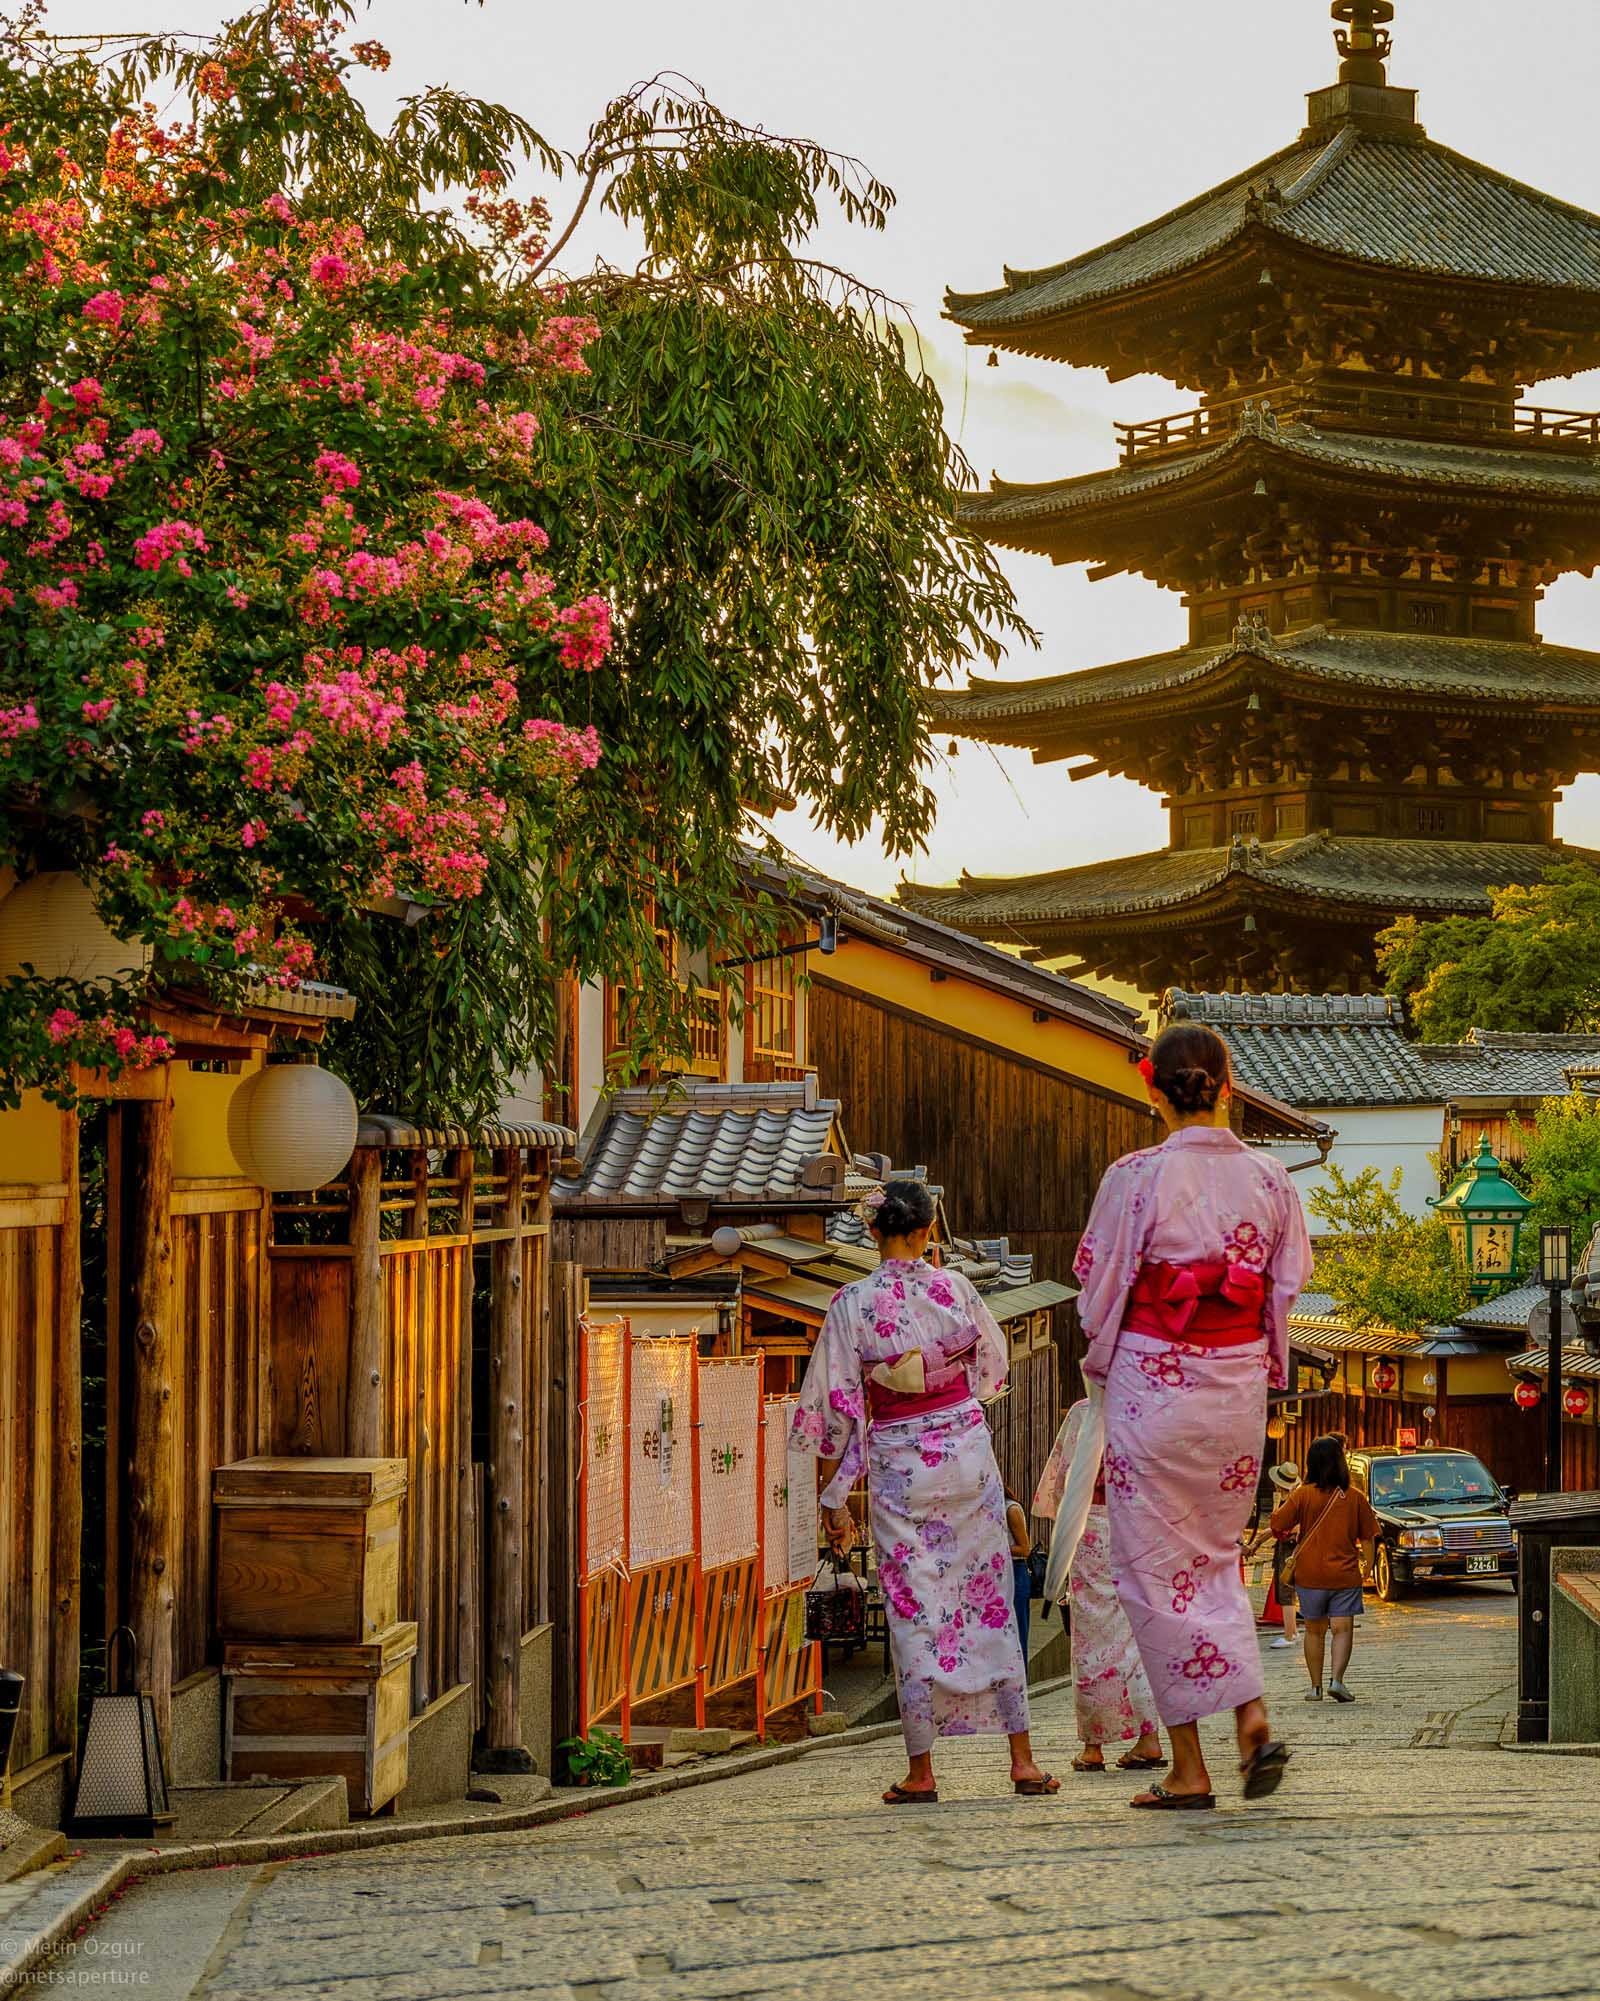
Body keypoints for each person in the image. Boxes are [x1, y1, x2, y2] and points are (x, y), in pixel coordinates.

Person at [1072, 1021, 1314, 1809]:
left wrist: (1105, 1356)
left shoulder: (1133, 1176)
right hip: (1234, 1387)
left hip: (1155, 1380)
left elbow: (1098, 1287)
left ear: (1153, 1088)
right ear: (1229, 1084)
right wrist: (1264, 1363)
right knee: (1213, 1558)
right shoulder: (1273, 1178)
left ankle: (1189, 1766)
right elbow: (1285, 1286)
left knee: (1149, 1574)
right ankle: (1250, 1712)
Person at [791, 1179, 1057, 1805]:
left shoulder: (851, 1302)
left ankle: (922, 1770)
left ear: (873, 1231)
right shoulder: (955, 1287)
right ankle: (1020, 1759)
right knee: (987, 1597)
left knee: (914, 1607)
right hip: (964, 1452)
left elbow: (836, 1402)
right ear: (927, 1231)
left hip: (899, 1464)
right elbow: (991, 1368)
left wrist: (833, 1497)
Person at [1034, 1398, 1164, 1776]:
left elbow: (1064, 1481)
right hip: (1140, 1527)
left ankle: (1093, 1747)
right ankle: (1148, 1738)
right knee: (1136, 1636)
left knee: (1092, 1635)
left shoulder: (1084, 1412)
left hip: (1093, 1524)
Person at [1269, 1434, 1379, 1703]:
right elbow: (1367, 1538)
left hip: (1310, 1574)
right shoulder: (1354, 1497)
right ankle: (1337, 1681)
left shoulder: (1302, 1494)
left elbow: (1277, 1525)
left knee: (1314, 1631)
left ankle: (1315, 1687)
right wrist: (1368, 1568)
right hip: (1344, 1573)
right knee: (1343, 1629)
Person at [1268, 1461, 1301, 1650]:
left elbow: (1276, 1524)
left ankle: (1289, 1634)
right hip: (1286, 1546)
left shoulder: (1290, 1501)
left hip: (1289, 1547)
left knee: (1286, 1590)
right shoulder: (1294, 1498)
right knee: (1286, 1590)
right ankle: (1293, 1631)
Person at [1004, 1489, 1034, 1661]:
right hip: (1000, 1572)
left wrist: (997, 1546)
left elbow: (1025, 1549)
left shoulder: (1011, 1510)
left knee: (1018, 1631)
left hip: (1016, 1571)